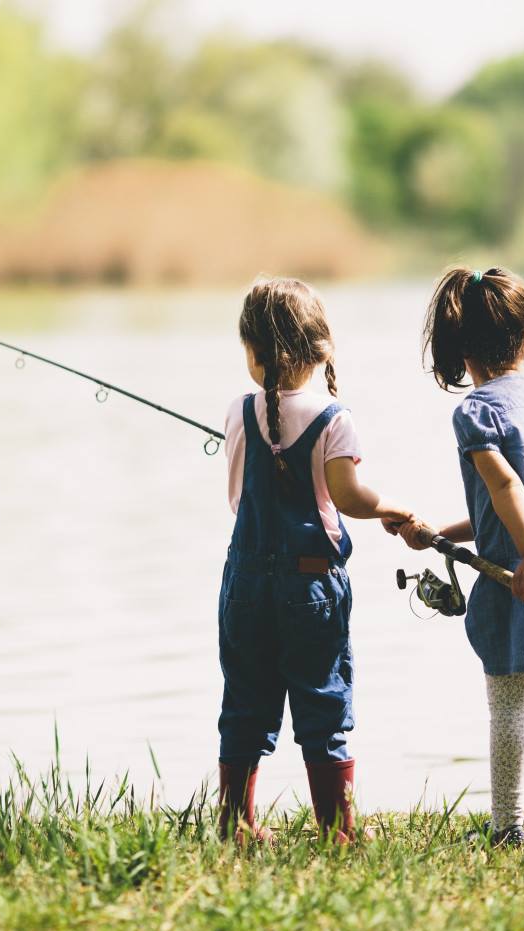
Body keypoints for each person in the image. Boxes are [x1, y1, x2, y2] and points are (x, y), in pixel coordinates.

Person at [399, 267, 524, 846]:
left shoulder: (476, 412)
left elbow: (507, 488)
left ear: (462, 350)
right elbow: (512, 500)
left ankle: (506, 828)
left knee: (508, 706)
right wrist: (443, 531)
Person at [219, 276, 413, 843]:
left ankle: (236, 824)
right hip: (311, 591)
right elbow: (350, 500)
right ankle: (338, 828)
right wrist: (392, 509)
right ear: (320, 349)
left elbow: (236, 501)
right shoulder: (335, 420)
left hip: (246, 586)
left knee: (246, 702)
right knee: (323, 703)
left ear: (254, 354)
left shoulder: (239, 411)